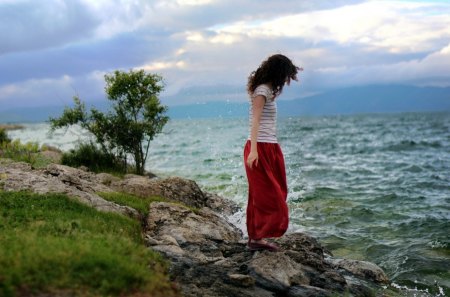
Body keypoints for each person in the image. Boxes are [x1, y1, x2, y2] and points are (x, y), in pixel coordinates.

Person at [244, 54, 302, 252]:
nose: (286, 80)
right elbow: (256, 121)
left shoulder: (268, 90)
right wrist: (253, 151)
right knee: (269, 195)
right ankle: (257, 237)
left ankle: (255, 238)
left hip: (270, 146)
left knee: (276, 190)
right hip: (259, 147)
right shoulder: (261, 91)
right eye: (285, 75)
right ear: (278, 73)